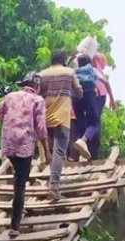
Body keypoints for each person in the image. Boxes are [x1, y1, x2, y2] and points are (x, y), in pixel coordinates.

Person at [0, 71, 48, 237]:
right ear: (36, 87)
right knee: (20, 184)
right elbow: (41, 129)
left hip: (8, 145)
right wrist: (47, 152)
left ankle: (18, 210)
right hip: (24, 146)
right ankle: (14, 226)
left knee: (18, 178)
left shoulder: (10, 96)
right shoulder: (38, 100)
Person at [39, 49, 83, 200]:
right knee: (59, 152)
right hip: (62, 118)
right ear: (63, 60)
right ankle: (54, 187)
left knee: (50, 151)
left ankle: (51, 181)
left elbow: (37, 96)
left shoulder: (41, 74)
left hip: (45, 119)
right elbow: (79, 92)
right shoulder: (69, 72)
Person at [71, 54, 116, 160]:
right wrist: (112, 99)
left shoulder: (73, 71)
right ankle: (83, 141)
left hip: (75, 97)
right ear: (89, 62)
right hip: (89, 95)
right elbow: (106, 82)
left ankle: (83, 147)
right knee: (94, 123)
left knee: (81, 123)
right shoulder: (93, 70)